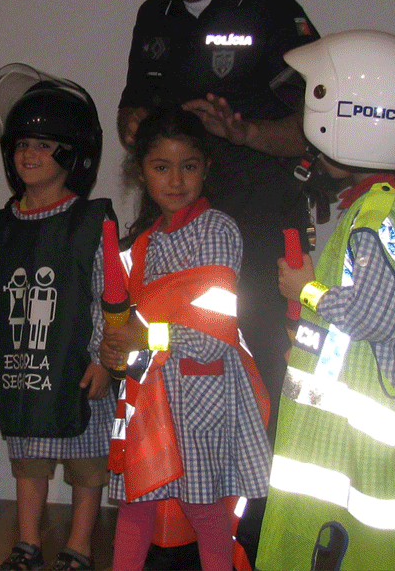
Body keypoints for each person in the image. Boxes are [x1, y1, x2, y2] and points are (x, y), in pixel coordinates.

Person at [256, 30, 395, 570]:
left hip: (363, 448)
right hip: (356, 432)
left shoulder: (374, 220)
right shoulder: (386, 207)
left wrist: (304, 289)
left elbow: (371, 317)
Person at [118, 0, 321, 437]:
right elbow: (130, 108)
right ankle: (186, 482)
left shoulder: (271, 8)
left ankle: (263, 490)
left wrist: (244, 132)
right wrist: (136, 126)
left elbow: (316, 129)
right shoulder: (153, 16)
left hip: (256, 221)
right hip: (176, 224)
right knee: (169, 353)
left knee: (262, 358)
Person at [100, 107, 272, 571]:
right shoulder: (143, 244)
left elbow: (212, 337)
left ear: (206, 168)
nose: (175, 180)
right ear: (141, 172)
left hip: (202, 400)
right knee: (135, 504)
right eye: (161, 167)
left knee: (205, 511)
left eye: (188, 166)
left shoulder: (217, 230)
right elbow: (128, 326)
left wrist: (144, 336)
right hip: (149, 399)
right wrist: (111, 348)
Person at [0, 66, 114, 571]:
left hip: (77, 368)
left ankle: (79, 546)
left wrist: (104, 359)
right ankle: (27, 544)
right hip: (26, 371)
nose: (30, 154)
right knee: (28, 461)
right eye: (23, 144)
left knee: (87, 465)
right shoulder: (0, 229)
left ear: (72, 154)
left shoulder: (91, 223)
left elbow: (108, 297)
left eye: (45, 145)